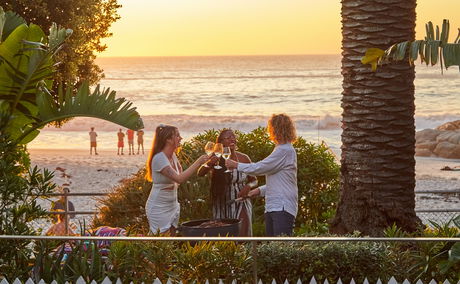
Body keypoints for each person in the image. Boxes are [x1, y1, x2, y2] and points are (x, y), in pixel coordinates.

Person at [225, 114, 298, 236]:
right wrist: (258, 191)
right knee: (272, 247)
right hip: (274, 206)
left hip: (282, 207)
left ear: (275, 129)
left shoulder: (284, 150)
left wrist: (236, 165)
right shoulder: (281, 149)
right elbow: (278, 182)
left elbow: (259, 168)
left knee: (279, 249)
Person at [145, 124, 209, 236]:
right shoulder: (159, 158)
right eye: (177, 135)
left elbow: (179, 175)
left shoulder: (172, 155)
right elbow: (179, 178)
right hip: (159, 206)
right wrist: (198, 162)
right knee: (160, 242)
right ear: (168, 139)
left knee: (171, 240)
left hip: (172, 204)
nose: (181, 138)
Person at [197, 129, 257, 236]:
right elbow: (200, 173)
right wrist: (210, 163)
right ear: (221, 142)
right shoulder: (217, 157)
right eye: (228, 138)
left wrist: (248, 186)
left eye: (233, 137)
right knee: (223, 234)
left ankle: (244, 253)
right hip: (222, 201)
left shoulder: (244, 158)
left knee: (242, 232)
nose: (232, 139)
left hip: (240, 199)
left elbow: (254, 180)